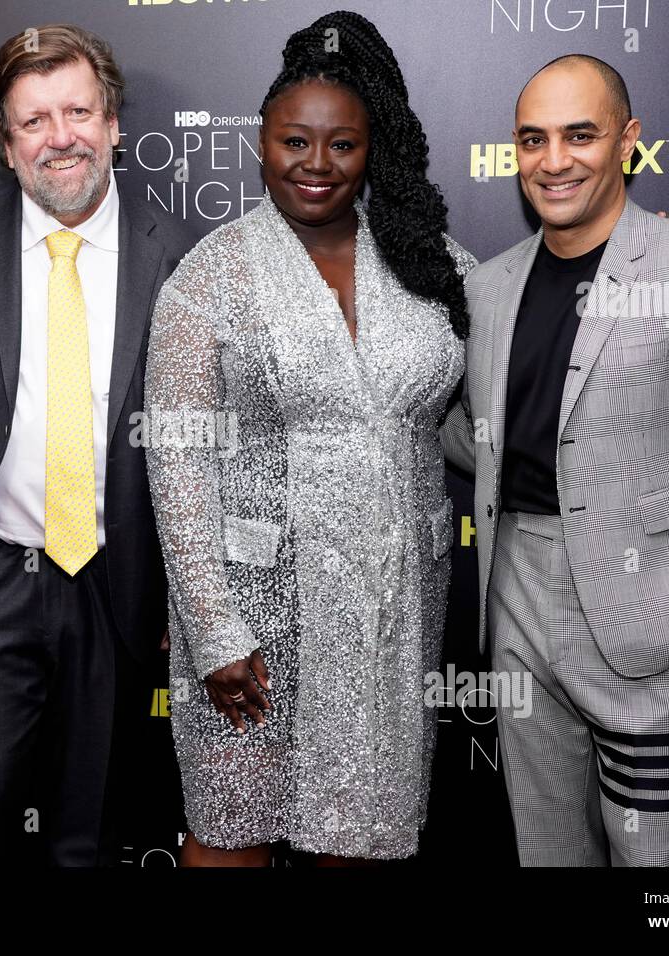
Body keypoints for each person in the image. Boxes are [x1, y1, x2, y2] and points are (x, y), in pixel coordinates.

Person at [440, 54, 669, 865]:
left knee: (654, 859)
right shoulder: (489, 289)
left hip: (652, 619)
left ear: (628, 141)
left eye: (580, 135)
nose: (554, 160)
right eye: (534, 139)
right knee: (549, 851)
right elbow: (479, 435)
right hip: (517, 598)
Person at [144, 11, 476, 865]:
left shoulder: (432, 265)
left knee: (358, 835)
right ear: (262, 141)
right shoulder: (208, 276)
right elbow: (177, 465)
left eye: (343, 145)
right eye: (296, 141)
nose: (317, 166)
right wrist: (213, 630)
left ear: (374, 150)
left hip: (388, 612)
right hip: (253, 613)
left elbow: (477, 425)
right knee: (232, 831)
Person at [0, 24, 192, 866]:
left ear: (114, 124)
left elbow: (208, 444)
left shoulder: (177, 255)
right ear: (5, 141)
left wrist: (182, 586)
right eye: (34, 121)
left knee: (88, 830)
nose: (60, 137)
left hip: (116, 580)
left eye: (78, 112)